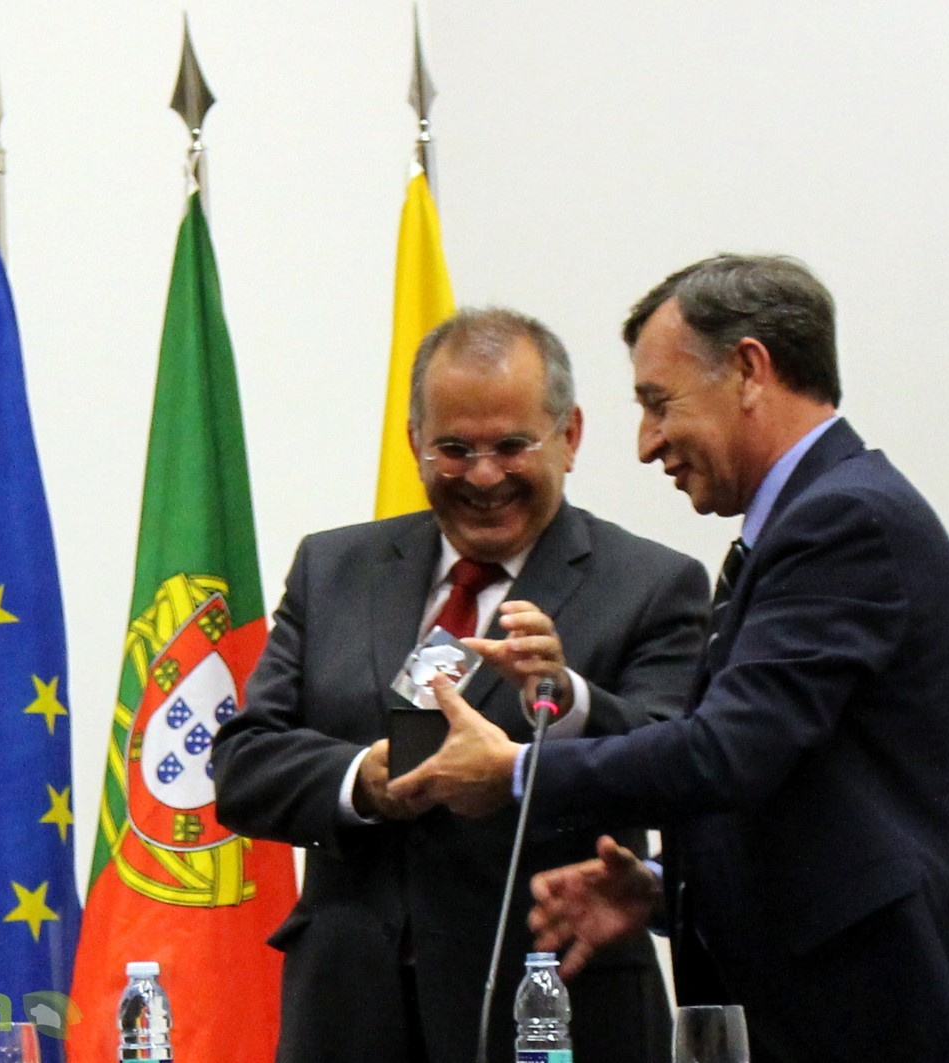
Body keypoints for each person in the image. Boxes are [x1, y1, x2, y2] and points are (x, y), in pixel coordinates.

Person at [390, 256, 949, 1062]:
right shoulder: (813, 521)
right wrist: (662, 888)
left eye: (659, 402)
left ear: (749, 370)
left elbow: (727, 750)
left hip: (882, 1017)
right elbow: (798, 798)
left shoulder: (845, 522)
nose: (647, 442)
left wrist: (518, 770)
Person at [211, 307, 709, 1063]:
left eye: (511, 446)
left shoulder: (652, 584)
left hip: (554, 1009)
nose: (483, 476)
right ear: (415, 441)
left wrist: (566, 702)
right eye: (454, 449)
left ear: (569, 436)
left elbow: (676, 767)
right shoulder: (333, 568)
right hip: (348, 1016)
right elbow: (244, 765)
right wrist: (361, 780)